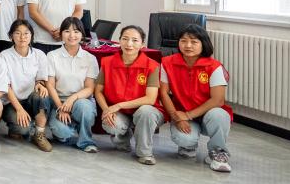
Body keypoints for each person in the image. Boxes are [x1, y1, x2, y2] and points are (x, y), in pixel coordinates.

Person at [159, 24, 233, 172]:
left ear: (203, 43)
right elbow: (163, 93)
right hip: (182, 114)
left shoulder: (214, 66)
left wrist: (187, 115)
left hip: (207, 114)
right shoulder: (167, 63)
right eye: (183, 41)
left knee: (219, 115)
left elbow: (217, 100)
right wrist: (177, 117)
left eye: (194, 42)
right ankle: (188, 146)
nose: (188, 45)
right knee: (185, 139)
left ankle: (218, 152)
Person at [94, 25, 164, 165]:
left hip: (146, 111)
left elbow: (150, 99)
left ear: (142, 44)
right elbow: (98, 91)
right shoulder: (107, 62)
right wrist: (107, 110)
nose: (129, 44)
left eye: (135, 40)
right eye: (125, 39)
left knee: (145, 112)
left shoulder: (152, 66)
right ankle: (122, 142)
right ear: (119, 40)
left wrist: (119, 105)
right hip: (121, 112)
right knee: (110, 123)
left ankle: (144, 153)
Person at [46, 17, 99, 152]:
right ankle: (68, 128)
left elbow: (90, 88)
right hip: (59, 101)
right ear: (61, 34)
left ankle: (86, 142)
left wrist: (72, 98)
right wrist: (61, 107)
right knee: (62, 132)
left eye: (76, 31)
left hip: (81, 101)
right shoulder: (52, 56)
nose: (72, 35)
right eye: (67, 31)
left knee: (84, 107)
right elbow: (50, 85)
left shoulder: (90, 58)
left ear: (82, 34)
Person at [0, 20, 53, 152]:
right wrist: (19, 109)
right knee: (24, 129)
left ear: (31, 35)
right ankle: (17, 128)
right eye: (18, 33)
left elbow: (40, 79)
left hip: (31, 100)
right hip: (12, 102)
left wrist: (40, 85)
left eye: (26, 33)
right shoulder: (4, 56)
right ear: (11, 36)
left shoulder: (39, 54)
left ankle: (39, 134)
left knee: (42, 95)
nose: (22, 37)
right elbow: (6, 87)